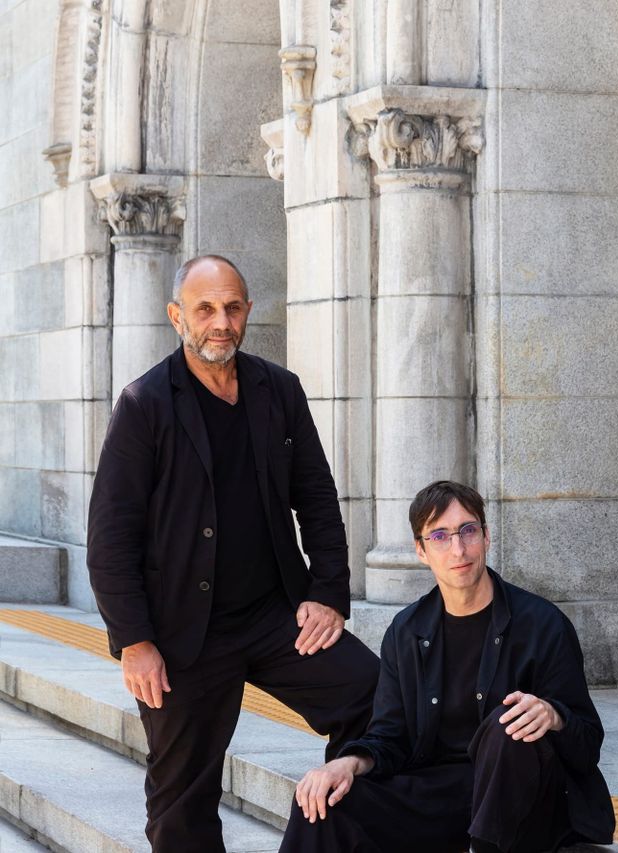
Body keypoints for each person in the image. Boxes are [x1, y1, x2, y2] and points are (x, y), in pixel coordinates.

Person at [86, 255, 379, 852]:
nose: (221, 322)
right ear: (177, 317)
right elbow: (110, 536)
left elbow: (317, 500)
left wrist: (328, 594)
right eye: (205, 309)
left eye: (233, 307)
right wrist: (136, 642)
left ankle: (339, 836)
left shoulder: (280, 389)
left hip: (276, 617)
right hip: (181, 635)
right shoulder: (145, 404)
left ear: (247, 311)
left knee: (374, 697)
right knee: (181, 799)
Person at [279, 480, 616, 853]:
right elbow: (389, 736)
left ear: (486, 537)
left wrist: (554, 715)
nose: (458, 548)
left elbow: (588, 745)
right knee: (320, 801)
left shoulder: (543, 624)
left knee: (510, 724)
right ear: (421, 551)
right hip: (445, 796)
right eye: (439, 536)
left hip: (531, 801)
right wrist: (348, 763)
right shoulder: (406, 632)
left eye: (468, 531)